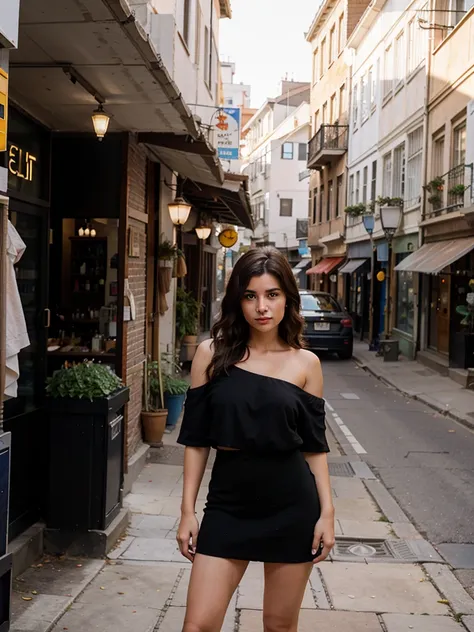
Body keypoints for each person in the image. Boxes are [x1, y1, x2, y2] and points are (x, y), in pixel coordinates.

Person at [176, 247, 335, 632]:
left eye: (272, 294)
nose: (261, 307)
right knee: (197, 626)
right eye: (250, 295)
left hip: (291, 505)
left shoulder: (306, 364)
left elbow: (314, 448)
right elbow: (196, 441)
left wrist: (327, 513)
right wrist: (187, 511)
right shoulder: (210, 355)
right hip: (228, 504)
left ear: (287, 300)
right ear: (237, 300)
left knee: (279, 626)